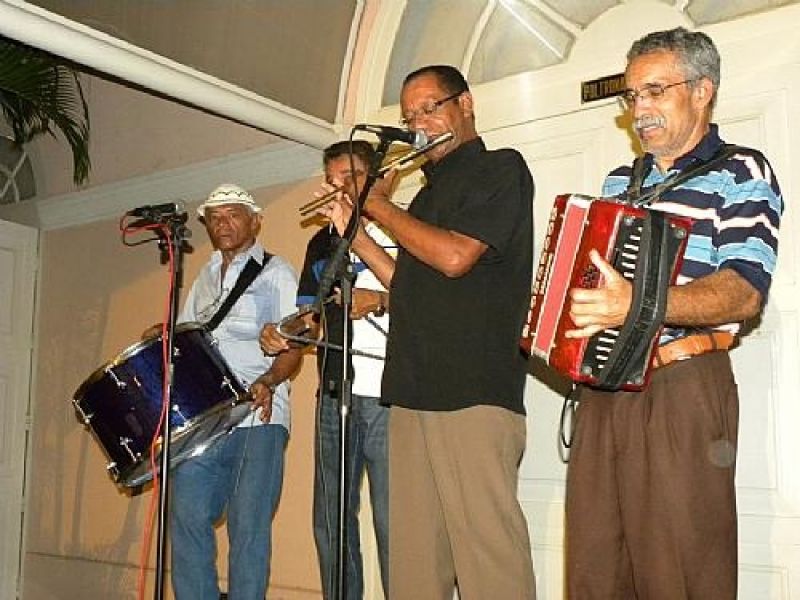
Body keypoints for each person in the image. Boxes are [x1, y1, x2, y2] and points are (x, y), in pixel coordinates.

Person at [564, 28, 783, 599]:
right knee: (595, 571)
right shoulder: (620, 182)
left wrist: (637, 304)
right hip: (604, 388)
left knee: (681, 572)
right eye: (632, 95)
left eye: (655, 91)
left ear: (702, 90)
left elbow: (743, 292)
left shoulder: (742, 171)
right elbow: (598, 283)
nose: (640, 109)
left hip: (681, 384)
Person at [321, 65, 536, 600]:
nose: (420, 123)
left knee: (489, 560)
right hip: (411, 391)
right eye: (410, 116)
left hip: (471, 390)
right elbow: (410, 287)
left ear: (466, 104)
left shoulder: (500, 168)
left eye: (430, 108)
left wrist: (377, 204)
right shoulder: (422, 199)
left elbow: (456, 257)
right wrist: (358, 237)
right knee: (415, 565)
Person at [260, 140, 391, 599]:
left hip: (392, 394)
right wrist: (283, 331)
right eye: (332, 179)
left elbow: (433, 300)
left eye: (350, 177)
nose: (338, 187)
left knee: (394, 521)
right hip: (335, 392)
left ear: (377, 178)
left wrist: (383, 300)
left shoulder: (403, 227)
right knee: (331, 521)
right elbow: (310, 318)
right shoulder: (321, 242)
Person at [168, 183, 302, 600]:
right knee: (187, 511)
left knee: (248, 527)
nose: (223, 224)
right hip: (207, 418)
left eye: (233, 215)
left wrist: (269, 380)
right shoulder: (205, 276)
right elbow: (188, 340)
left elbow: (294, 345)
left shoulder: (276, 272)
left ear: (256, 222)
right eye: (215, 217)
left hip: (258, 416)